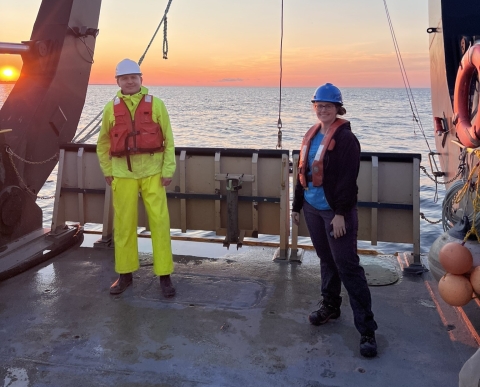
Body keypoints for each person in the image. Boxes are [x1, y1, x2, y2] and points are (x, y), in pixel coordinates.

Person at [291, 83, 378, 358]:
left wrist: (340, 214)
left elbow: (347, 182)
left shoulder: (347, 140)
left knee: (348, 267)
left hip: (335, 213)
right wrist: (296, 206)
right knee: (326, 260)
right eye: (319, 105)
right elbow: (301, 171)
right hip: (312, 210)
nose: (323, 110)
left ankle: (367, 330)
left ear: (338, 108)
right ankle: (330, 306)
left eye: (328, 106)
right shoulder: (313, 134)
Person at [96, 58, 176, 298]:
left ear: (141, 79)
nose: (129, 81)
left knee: (160, 224)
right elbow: (103, 143)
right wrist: (107, 171)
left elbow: (169, 140)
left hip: (153, 173)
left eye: (134, 77)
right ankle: (125, 274)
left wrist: (167, 170)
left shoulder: (157, 105)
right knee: (123, 226)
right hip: (122, 174)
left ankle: (165, 276)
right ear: (118, 81)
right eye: (124, 78)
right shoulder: (111, 108)